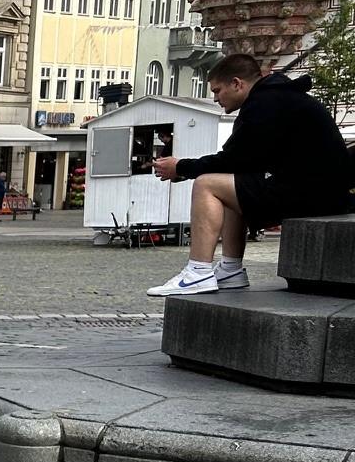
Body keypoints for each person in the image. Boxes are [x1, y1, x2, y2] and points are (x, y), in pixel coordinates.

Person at [149, 53, 354, 296]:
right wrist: (183, 169)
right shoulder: (278, 98)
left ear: (237, 83)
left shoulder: (264, 104)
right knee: (229, 184)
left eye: (217, 90)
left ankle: (198, 272)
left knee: (207, 185)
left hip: (315, 196)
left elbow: (234, 158)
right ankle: (230, 270)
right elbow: (241, 162)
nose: (215, 98)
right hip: (323, 191)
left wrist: (181, 167)